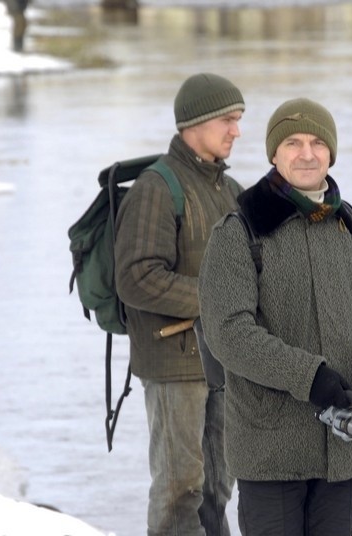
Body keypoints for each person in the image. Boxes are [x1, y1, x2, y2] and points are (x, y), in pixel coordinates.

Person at [197, 97, 352, 535]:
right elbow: (229, 333)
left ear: (331, 153)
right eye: (293, 143)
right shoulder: (238, 232)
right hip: (269, 452)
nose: (307, 153)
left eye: (318, 143)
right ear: (274, 154)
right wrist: (308, 376)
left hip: (344, 452)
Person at [114, 72, 245, 536]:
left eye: (239, 119)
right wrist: (216, 300)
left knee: (218, 489)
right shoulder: (156, 187)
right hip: (172, 365)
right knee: (179, 488)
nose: (237, 130)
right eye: (228, 120)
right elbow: (135, 278)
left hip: (224, 364)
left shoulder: (228, 191)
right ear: (196, 123)